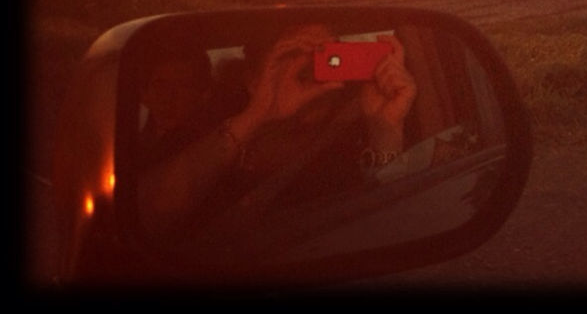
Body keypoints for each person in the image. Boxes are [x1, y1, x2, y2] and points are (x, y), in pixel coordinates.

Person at [137, 22, 421, 245]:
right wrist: (256, 115)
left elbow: (391, 231)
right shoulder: (195, 144)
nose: (312, 69)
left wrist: (385, 129)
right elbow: (143, 218)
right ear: (253, 80)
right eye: (294, 56)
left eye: (327, 57)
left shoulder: (346, 149)